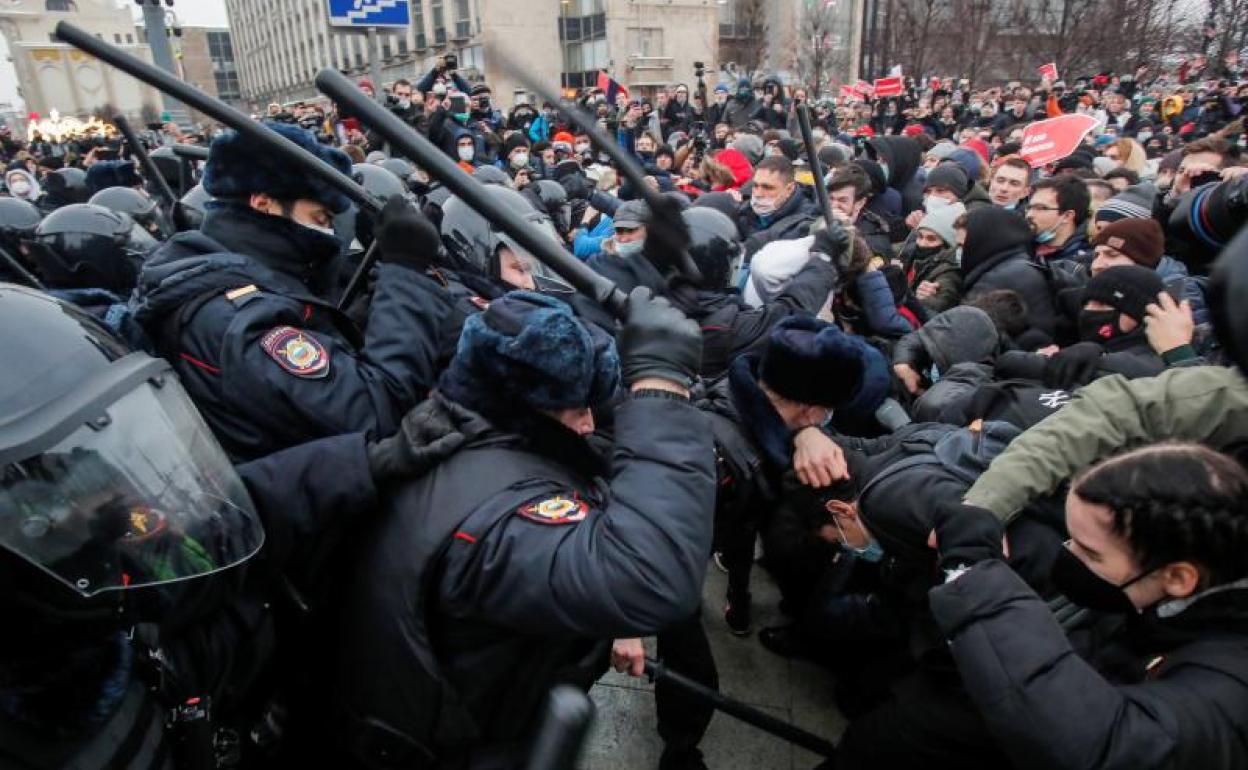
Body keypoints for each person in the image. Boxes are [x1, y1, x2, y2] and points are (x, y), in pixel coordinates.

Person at [328, 288, 715, 768]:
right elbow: (649, 579)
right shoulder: (496, 518)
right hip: (461, 743)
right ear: (530, 408)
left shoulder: (453, 431)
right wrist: (661, 390)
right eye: (576, 410)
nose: (589, 424)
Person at [128, 122, 449, 461]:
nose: (328, 233)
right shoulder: (241, 319)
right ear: (263, 203)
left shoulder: (240, 279)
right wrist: (405, 273)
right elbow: (375, 413)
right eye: (319, 218)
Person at [738, 156, 817, 260]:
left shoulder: (806, 223)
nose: (758, 194)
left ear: (789, 189)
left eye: (768, 187)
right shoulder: (743, 212)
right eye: (755, 185)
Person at [1027, 175, 1092, 264]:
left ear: (1067, 216)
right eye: (1029, 207)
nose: (1029, 215)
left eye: (1040, 208)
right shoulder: (1021, 247)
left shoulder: (1082, 262)